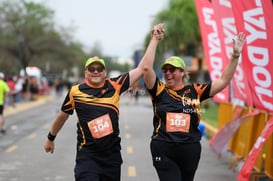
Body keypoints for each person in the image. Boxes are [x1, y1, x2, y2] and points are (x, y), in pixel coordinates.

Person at [43, 23, 164, 181]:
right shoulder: (75, 92)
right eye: (91, 69)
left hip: (111, 157)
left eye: (99, 69)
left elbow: (143, 69)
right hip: (87, 156)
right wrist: (50, 138)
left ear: (105, 72)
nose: (95, 72)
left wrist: (154, 39)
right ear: (86, 72)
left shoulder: (115, 85)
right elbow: (63, 115)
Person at [143, 25, 246, 181]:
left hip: (189, 150)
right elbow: (146, 68)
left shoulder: (195, 91)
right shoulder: (158, 90)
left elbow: (224, 81)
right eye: (166, 70)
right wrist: (154, 40)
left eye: (173, 69)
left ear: (183, 73)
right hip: (163, 149)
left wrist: (235, 55)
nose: (168, 73)